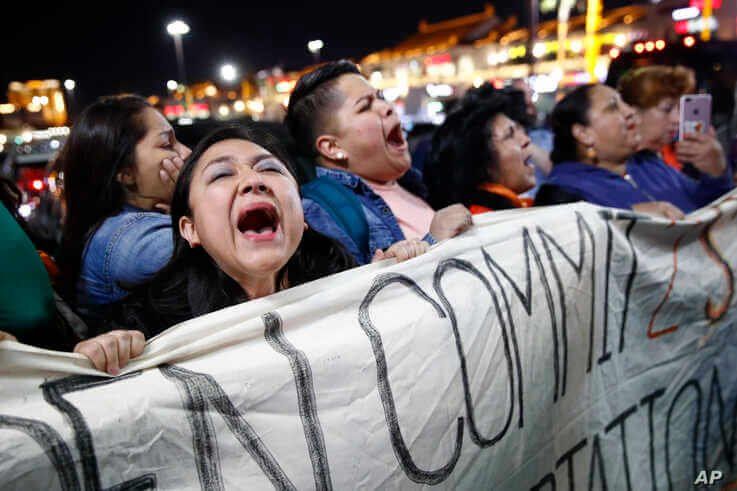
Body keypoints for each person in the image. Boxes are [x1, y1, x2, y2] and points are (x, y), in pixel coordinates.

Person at [285, 60, 472, 265]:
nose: (387, 107)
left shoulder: (414, 183)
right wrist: (435, 242)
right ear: (332, 147)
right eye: (365, 107)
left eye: (380, 98)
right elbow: (357, 295)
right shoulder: (320, 212)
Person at [58, 95, 191, 328]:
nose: (187, 152)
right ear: (125, 172)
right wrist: (193, 197)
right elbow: (231, 248)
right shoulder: (130, 237)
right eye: (167, 144)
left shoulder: (114, 225)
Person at [535, 84, 728, 217]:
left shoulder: (650, 165)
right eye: (613, 107)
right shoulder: (562, 194)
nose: (630, 112)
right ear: (584, 134)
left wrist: (716, 173)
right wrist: (628, 219)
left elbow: (710, 212)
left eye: (624, 104)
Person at [617, 65, 732, 187]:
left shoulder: (660, 163)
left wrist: (716, 170)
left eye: (679, 109)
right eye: (667, 109)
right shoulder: (621, 169)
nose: (678, 119)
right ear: (633, 113)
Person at [424, 93, 536, 213]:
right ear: (482, 164)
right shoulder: (485, 222)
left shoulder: (508, 212)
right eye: (509, 135)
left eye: (519, 129)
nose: (526, 140)